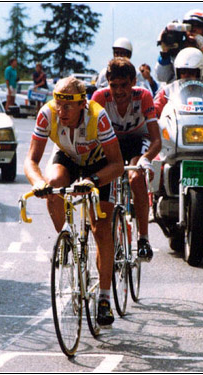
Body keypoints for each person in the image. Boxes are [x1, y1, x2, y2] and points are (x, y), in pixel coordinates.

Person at [24, 77, 124, 327]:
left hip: (100, 164)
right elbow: (30, 161)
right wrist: (38, 182)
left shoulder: (97, 117)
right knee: (53, 184)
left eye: (68, 106)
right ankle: (66, 237)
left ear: (83, 104)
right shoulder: (47, 114)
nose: (62, 111)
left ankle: (103, 298)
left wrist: (92, 180)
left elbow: (118, 165)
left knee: (100, 228)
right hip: (68, 157)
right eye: (58, 104)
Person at [92, 58, 161, 261]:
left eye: (124, 85)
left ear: (133, 82)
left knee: (135, 177)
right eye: (114, 86)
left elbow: (156, 139)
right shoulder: (100, 97)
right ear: (107, 83)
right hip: (111, 143)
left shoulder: (144, 96)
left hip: (137, 141)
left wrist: (146, 159)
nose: (119, 91)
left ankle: (143, 238)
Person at [155, 9, 203, 83]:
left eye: (198, 27)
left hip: (201, 91)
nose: (193, 29)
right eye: (190, 25)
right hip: (177, 91)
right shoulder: (173, 49)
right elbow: (162, 77)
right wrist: (165, 53)